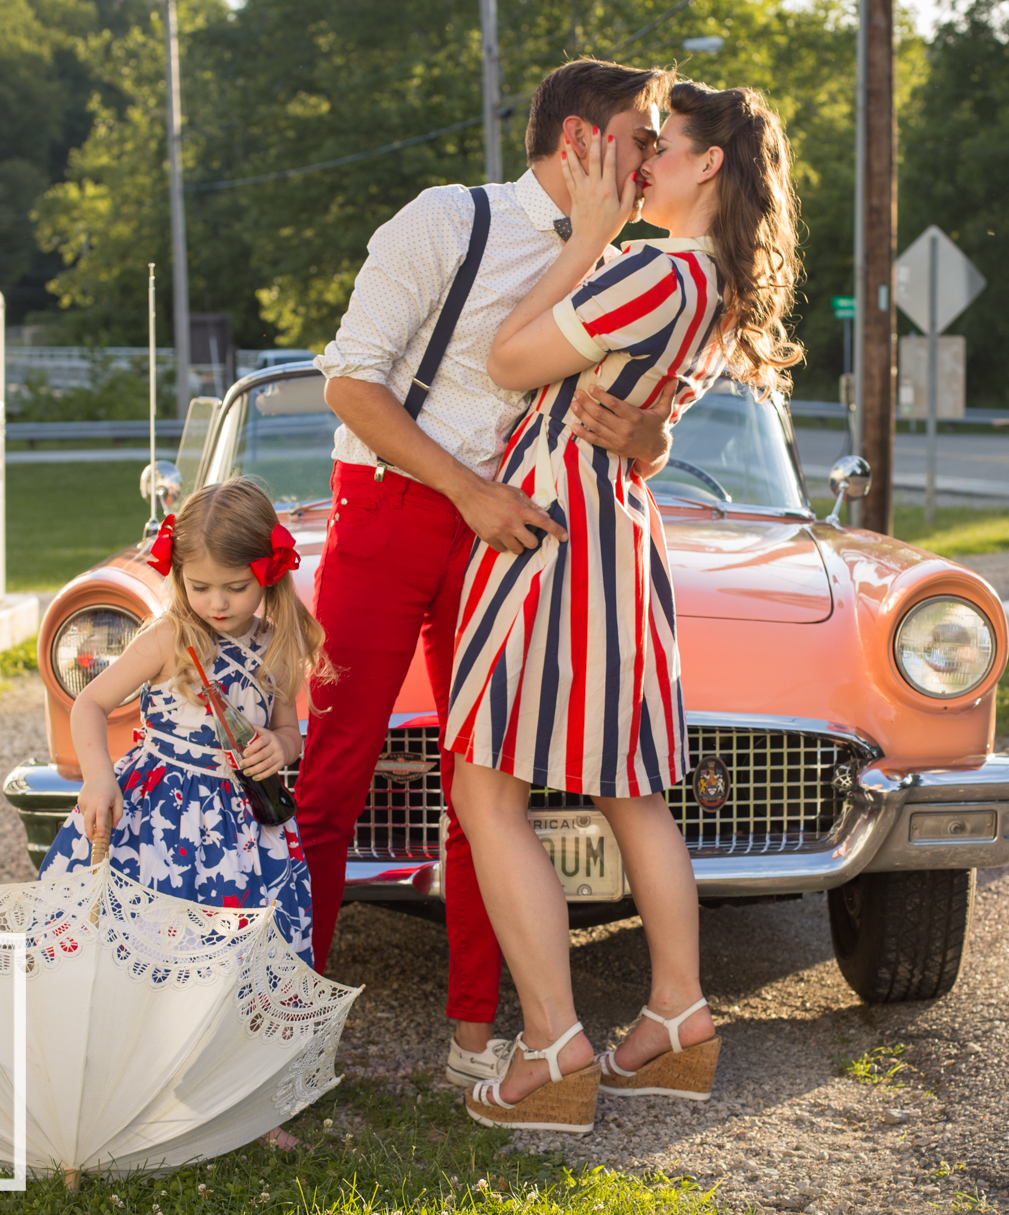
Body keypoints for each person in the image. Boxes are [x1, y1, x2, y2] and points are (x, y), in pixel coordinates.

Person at [301, 57, 674, 1090]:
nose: (653, 156)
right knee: (334, 771)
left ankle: (473, 1038)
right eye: (640, 137)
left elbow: (641, 433)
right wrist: (465, 490)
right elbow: (347, 378)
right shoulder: (445, 219)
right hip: (390, 508)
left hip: (510, 530)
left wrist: (646, 438)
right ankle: (282, 1032)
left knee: (485, 782)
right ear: (579, 144)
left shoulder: (625, 262)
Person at [449, 80, 805, 1133]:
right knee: (630, 789)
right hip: (617, 528)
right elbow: (643, 412)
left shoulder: (653, 265)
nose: (639, 162)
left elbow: (506, 359)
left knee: (484, 786)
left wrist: (589, 235)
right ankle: (673, 1018)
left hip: (553, 524)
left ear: (707, 166)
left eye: (663, 148)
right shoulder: (718, 286)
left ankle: (555, 1045)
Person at [41, 480, 327, 966]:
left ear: (269, 574)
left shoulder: (277, 645)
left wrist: (279, 749)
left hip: (241, 828)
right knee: (149, 939)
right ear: (179, 576)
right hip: (158, 818)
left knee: (232, 953)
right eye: (200, 587)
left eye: (236, 588)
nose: (217, 603)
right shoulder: (168, 638)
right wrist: (97, 776)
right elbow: (89, 703)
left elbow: (289, 735)